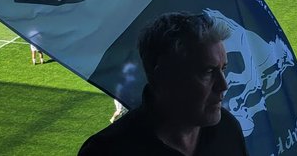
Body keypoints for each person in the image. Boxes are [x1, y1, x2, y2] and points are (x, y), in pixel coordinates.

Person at [79, 12, 247, 156]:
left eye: (223, 69)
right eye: (207, 72)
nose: (223, 85)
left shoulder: (227, 129)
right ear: (164, 77)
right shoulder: (106, 151)